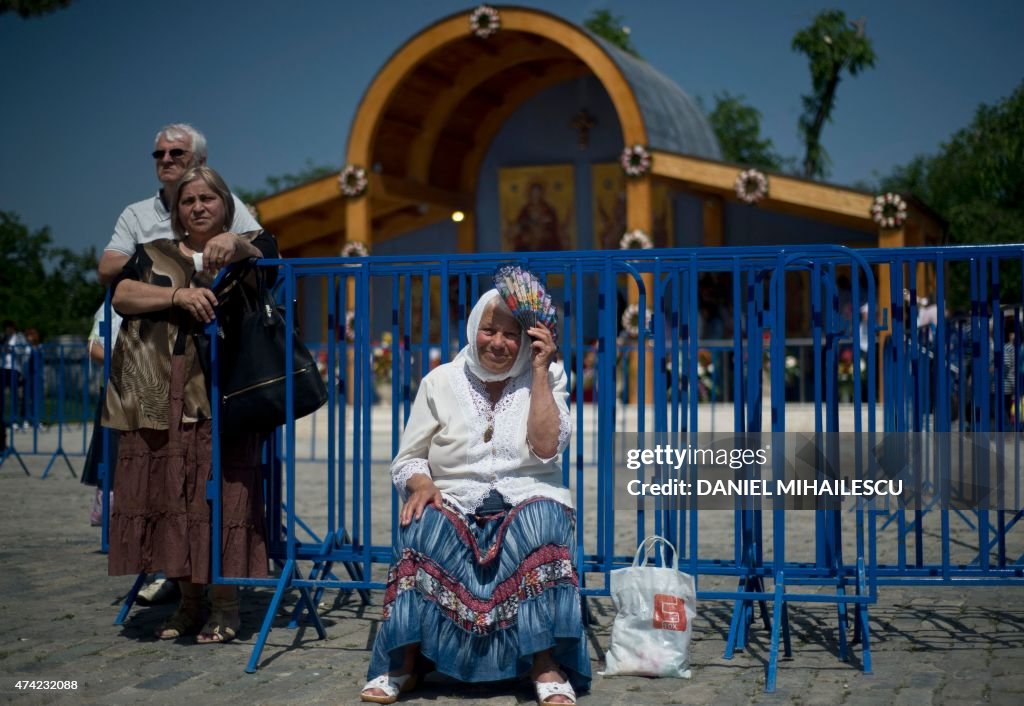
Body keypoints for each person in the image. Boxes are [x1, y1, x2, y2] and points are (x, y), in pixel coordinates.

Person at [360, 290, 590, 705]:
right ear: (472, 329)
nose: (498, 342)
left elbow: (546, 448)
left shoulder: (550, 376)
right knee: (421, 525)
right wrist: (423, 484)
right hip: (455, 497)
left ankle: (544, 665)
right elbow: (408, 458)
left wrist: (539, 371)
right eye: (489, 330)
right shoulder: (440, 381)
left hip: (528, 492)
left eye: (511, 334)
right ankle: (404, 663)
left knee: (542, 523)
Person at [103, 165, 278, 644]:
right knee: (169, 497)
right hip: (157, 393)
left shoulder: (248, 250)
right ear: (176, 212)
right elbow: (121, 293)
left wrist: (238, 244)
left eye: (207, 198)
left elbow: (271, 257)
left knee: (217, 497)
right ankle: (188, 603)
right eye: (187, 201)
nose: (198, 207)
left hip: (221, 395)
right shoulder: (152, 253)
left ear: (225, 203)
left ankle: (226, 604)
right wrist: (178, 295)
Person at [97, 123, 260, 284]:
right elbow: (106, 268)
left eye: (177, 152)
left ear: (201, 162)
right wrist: (163, 259)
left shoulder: (224, 202)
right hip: (152, 307)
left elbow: (269, 255)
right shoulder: (135, 214)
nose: (166, 159)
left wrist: (233, 240)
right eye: (159, 154)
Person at [1, 321, 29, 451]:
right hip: (3, 368)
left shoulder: (19, 337)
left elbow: (25, 351)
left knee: (15, 395)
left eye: (9, 328)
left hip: (14, 368)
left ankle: (16, 418)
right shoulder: (3, 338)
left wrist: (13, 350)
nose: (8, 330)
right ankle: (6, 419)